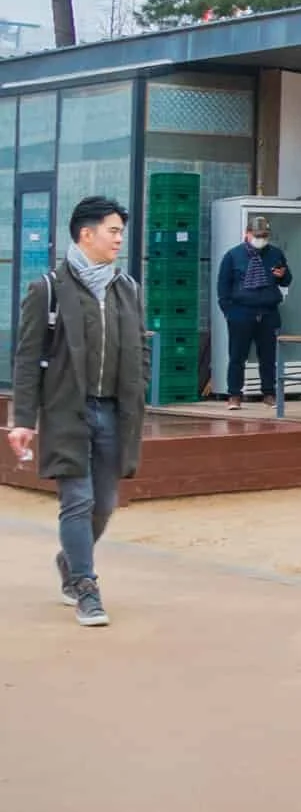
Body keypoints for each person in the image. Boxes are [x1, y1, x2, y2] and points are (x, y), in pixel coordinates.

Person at [10, 196, 147, 627]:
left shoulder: (126, 288)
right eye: (113, 231)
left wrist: (139, 384)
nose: (119, 239)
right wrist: (22, 421)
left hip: (113, 412)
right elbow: (27, 359)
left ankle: (71, 558)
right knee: (77, 499)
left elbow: (139, 346)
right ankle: (86, 587)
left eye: (120, 232)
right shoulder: (47, 289)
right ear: (85, 234)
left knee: (103, 504)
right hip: (68, 411)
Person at [215, 213, 294, 410]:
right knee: (237, 355)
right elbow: (223, 285)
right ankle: (234, 394)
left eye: (264, 235)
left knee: (268, 355)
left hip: (268, 311)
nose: (261, 239)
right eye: (257, 235)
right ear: (247, 234)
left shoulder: (275, 254)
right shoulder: (233, 256)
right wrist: (229, 311)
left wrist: (283, 275)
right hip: (241, 311)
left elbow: (286, 280)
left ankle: (269, 392)